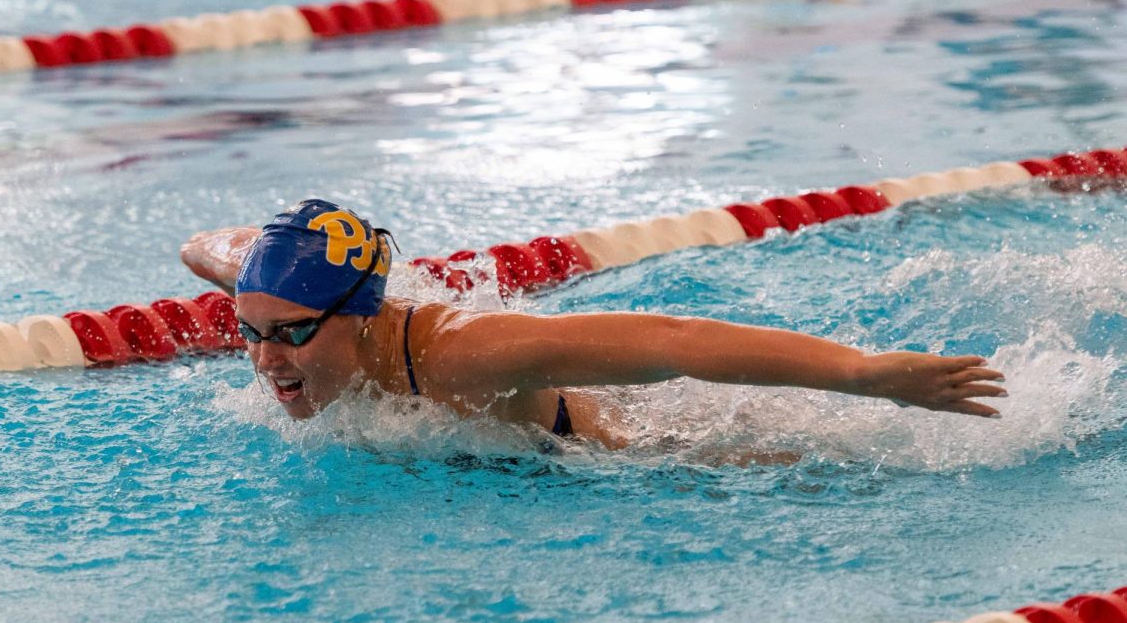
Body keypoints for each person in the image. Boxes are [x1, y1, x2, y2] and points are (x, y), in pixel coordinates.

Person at [181, 199, 1006, 448]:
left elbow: (673, 343)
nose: (264, 358)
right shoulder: (295, 297)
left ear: (357, 319)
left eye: (289, 334)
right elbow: (203, 248)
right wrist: (259, 261)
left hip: (642, 453)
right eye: (246, 330)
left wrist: (863, 374)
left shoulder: (466, 356)